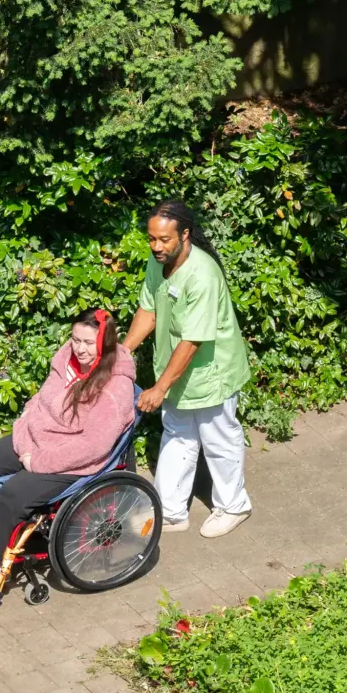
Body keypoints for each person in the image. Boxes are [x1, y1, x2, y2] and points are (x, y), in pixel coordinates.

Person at [0, 307, 139, 588]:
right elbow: (40, 400)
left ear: (105, 343)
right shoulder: (66, 359)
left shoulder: (115, 388)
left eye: (88, 342)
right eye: (76, 339)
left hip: (72, 459)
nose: (79, 348)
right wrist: (26, 436)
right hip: (36, 439)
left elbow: (93, 446)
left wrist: (39, 460)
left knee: (12, 494)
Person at [120, 198, 252, 537]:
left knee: (218, 439)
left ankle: (234, 505)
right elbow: (148, 310)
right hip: (177, 373)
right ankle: (172, 512)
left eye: (164, 240)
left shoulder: (203, 275)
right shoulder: (158, 262)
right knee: (178, 435)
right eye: (151, 239)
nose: (156, 246)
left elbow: (192, 342)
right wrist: (122, 353)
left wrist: (160, 386)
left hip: (212, 374)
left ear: (185, 234)